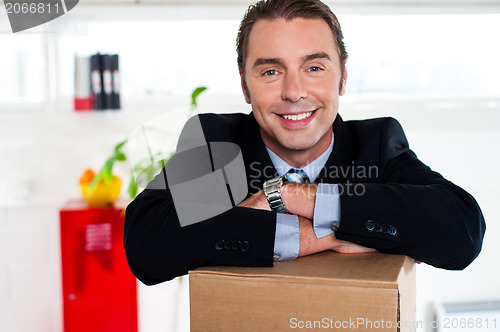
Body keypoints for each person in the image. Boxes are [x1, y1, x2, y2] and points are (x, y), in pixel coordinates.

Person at [124, 0, 485, 285]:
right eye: (270, 71)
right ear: (244, 86)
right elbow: (147, 242)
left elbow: (462, 231)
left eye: (313, 67)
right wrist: (322, 234)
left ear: (342, 78)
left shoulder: (378, 142)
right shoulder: (216, 141)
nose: (293, 93)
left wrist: (289, 197)